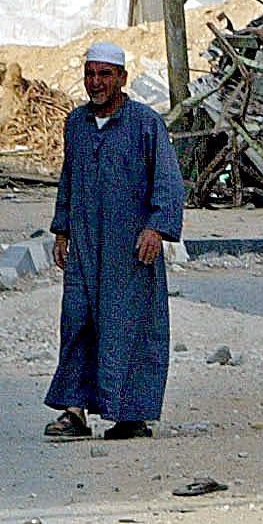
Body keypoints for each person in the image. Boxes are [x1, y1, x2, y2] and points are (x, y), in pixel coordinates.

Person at [44, 41, 186, 441]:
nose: (96, 82)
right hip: (85, 243)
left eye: (105, 74)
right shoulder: (76, 124)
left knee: (131, 325)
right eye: (90, 74)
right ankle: (74, 411)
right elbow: (68, 178)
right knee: (78, 320)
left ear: (122, 78)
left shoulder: (145, 124)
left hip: (131, 246)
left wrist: (157, 227)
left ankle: (131, 415)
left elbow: (169, 181)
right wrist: (62, 229)